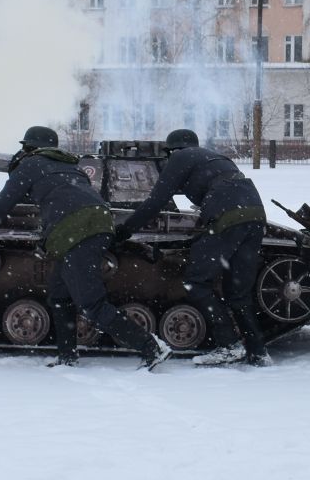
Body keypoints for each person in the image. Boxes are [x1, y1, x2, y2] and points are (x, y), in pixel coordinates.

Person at [0, 125, 171, 370]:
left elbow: (5, 202)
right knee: (59, 297)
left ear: (30, 148)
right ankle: (67, 357)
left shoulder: (31, 164)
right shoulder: (69, 165)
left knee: (92, 304)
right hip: (93, 224)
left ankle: (152, 347)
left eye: (25, 148)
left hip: (77, 231)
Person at [115, 127, 270, 367]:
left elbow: (156, 202)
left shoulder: (179, 157)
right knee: (238, 294)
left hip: (227, 215)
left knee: (196, 281)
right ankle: (258, 353)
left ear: (173, 150)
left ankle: (229, 344)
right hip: (254, 214)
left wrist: (124, 231)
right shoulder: (214, 157)